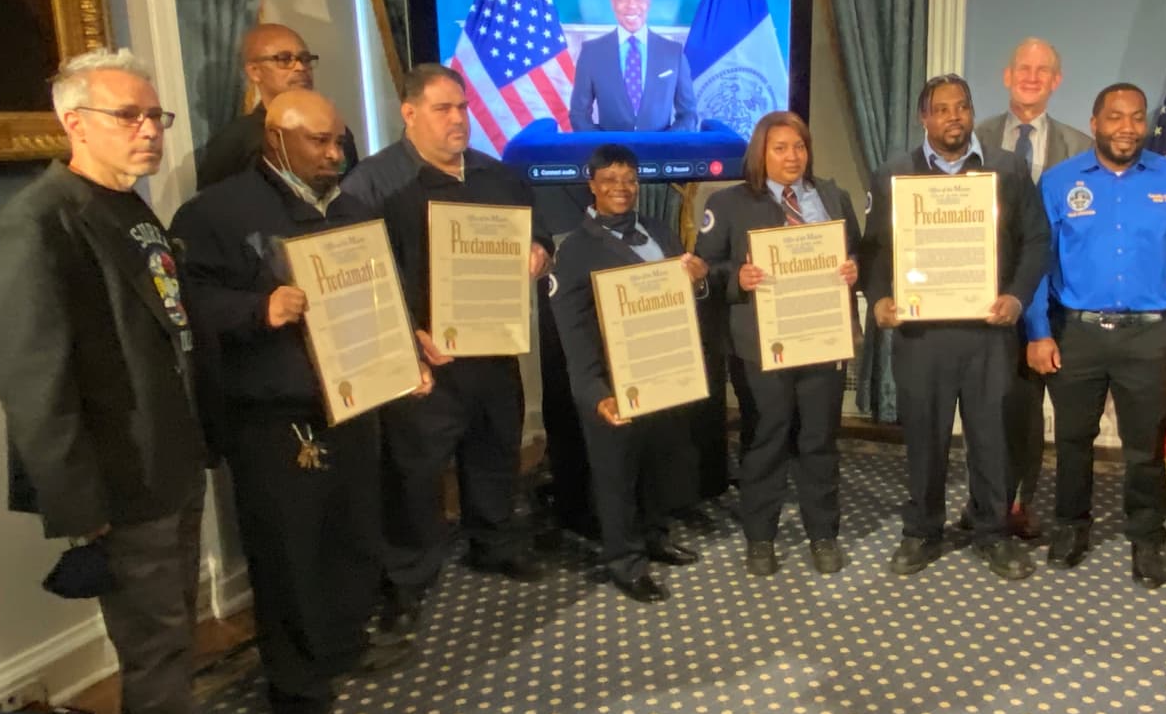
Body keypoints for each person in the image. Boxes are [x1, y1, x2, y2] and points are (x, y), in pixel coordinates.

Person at [171, 90, 430, 714]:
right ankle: (295, 686)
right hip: (273, 411)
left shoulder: (351, 206)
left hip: (353, 397)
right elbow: (184, 303)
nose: (335, 153)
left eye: (339, 140)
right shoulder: (214, 213)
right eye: (319, 141)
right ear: (276, 139)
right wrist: (258, 310)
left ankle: (343, 643)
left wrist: (409, 344)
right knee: (290, 552)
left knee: (351, 532)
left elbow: (380, 289)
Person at [0, 48, 208, 714]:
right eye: (129, 116)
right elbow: (34, 380)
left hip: (173, 460)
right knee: (154, 645)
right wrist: (79, 506)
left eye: (154, 116)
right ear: (75, 123)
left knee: (173, 634)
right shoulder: (37, 222)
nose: (149, 130)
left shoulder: (133, 210)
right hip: (121, 480)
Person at [342, 64, 555, 631]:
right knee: (416, 470)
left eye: (462, 107)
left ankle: (494, 541)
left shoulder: (498, 177)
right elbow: (359, 272)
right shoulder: (373, 184)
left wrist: (538, 251)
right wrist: (406, 334)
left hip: (493, 347)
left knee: (496, 449)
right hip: (423, 359)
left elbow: (542, 235)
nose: (458, 119)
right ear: (409, 113)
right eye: (443, 109)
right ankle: (409, 576)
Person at [1025, 83, 1166, 590]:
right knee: (1070, 440)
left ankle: (1148, 536)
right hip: (1076, 333)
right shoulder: (1060, 182)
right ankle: (1071, 527)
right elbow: (1038, 263)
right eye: (1115, 117)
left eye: (1135, 118)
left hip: (1148, 337)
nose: (1126, 128)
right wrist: (1038, 331)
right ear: (1094, 123)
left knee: (1145, 447)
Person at [861, 74, 1049, 581]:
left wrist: (1016, 296)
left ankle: (992, 533)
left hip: (988, 332)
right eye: (941, 109)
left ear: (971, 112)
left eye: (962, 107)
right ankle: (922, 531)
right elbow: (874, 250)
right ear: (925, 118)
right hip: (922, 336)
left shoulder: (1006, 169)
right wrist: (879, 299)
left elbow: (1036, 241)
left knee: (991, 438)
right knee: (924, 438)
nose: (953, 118)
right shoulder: (894, 173)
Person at [696, 111, 860, 577]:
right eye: (781, 148)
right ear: (761, 153)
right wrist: (738, 277)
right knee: (765, 439)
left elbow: (855, 251)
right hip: (759, 346)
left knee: (818, 441)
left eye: (799, 147)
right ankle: (761, 537)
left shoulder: (831, 196)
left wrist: (852, 267)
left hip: (822, 340)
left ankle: (823, 533)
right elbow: (706, 269)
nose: (793, 157)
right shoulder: (728, 203)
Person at [548, 144, 706, 602]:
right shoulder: (575, 250)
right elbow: (573, 332)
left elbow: (686, 300)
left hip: (663, 371)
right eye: (611, 180)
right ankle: (625, 561)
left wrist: (698, 279)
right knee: (615, 475)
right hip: (613, 382)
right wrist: (595, 393)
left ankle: (655, 536)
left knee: (659, 462)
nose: (622, 188)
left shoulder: (660, 230)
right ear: (591, 185)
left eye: (630, 180)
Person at [972, 37, 1091, 538]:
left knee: (1029, 412)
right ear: (1007, 75)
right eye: (1024, 67)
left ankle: (1021, 503)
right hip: (989, 296)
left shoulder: (1080, 147)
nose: (1032, 76)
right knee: (988, 406)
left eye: (1043, 70)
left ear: (1056, 81)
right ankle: (986, 500)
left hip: (1053, 295)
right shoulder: (976, 139)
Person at [196, 23, 359, 188]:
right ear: (254, 71)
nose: (300, 67)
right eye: (284, 59)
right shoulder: (235, 141)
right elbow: (214, 207)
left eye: (305, 59)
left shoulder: (336, 132)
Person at [568, 0, 698, 132]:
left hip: (661, 155)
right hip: (611, 155)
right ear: (612, 2)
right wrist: (605, 149)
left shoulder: (673, 53)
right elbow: (579, 115)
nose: (631, 5)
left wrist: (666, 145)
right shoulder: (591, 53)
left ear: (648, 2)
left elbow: (688, 115)